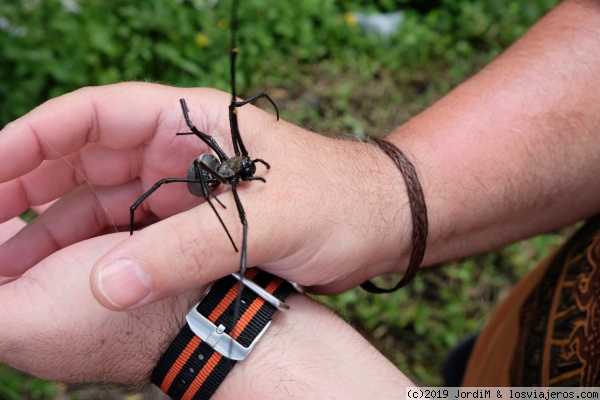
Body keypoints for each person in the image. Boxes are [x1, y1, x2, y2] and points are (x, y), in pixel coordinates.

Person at [1, 0, 599, 391]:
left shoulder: (238, 178)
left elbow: (237, 206)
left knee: (208, 203)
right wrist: (391, 189)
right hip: (518, 346)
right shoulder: (219, 163)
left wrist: (187, 330)